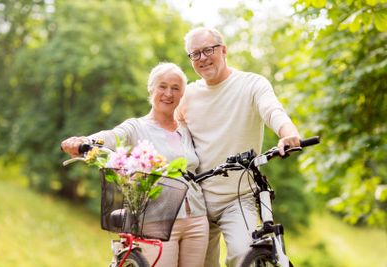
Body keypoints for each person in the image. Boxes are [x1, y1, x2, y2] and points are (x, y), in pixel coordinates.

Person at [61, 62, 209, 267]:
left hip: (197, 219)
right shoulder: (136, 127)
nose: (168, 93)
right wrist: (85, 141)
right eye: (162, 86)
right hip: (157, 221)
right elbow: (111, 137)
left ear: (182, 94)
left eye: (175, 88)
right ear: (151, 89)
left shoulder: (187, 129)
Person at [176, 27, 301, 267]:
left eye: (208, 50)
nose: (202, 58)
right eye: (195, 54)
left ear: (223, 50)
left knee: (244, 256)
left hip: (237, 197)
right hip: (197, 199)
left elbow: (272, 110)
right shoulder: (187, 95)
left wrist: (288, 133)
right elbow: (165, 127)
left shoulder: (251, 84)